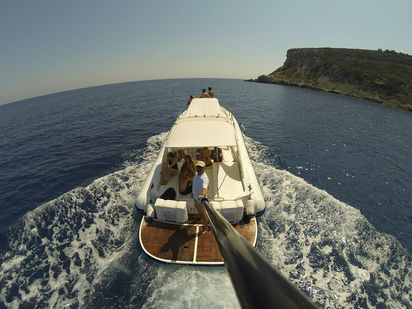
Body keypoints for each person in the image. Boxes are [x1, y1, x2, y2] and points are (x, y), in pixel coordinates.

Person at [191, 161, 209, 228]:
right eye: (197, 167)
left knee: (203, 214)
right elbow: (195, 183)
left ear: (204, 168)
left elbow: (205, 190)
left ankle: (206, 227)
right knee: (196, 206)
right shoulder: (196, 173)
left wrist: (201, 196)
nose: (198, 169)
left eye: (200, 168)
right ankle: (199, 215)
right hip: (195, 197)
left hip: (200, 200)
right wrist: (192, 192)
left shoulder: (204, 179)